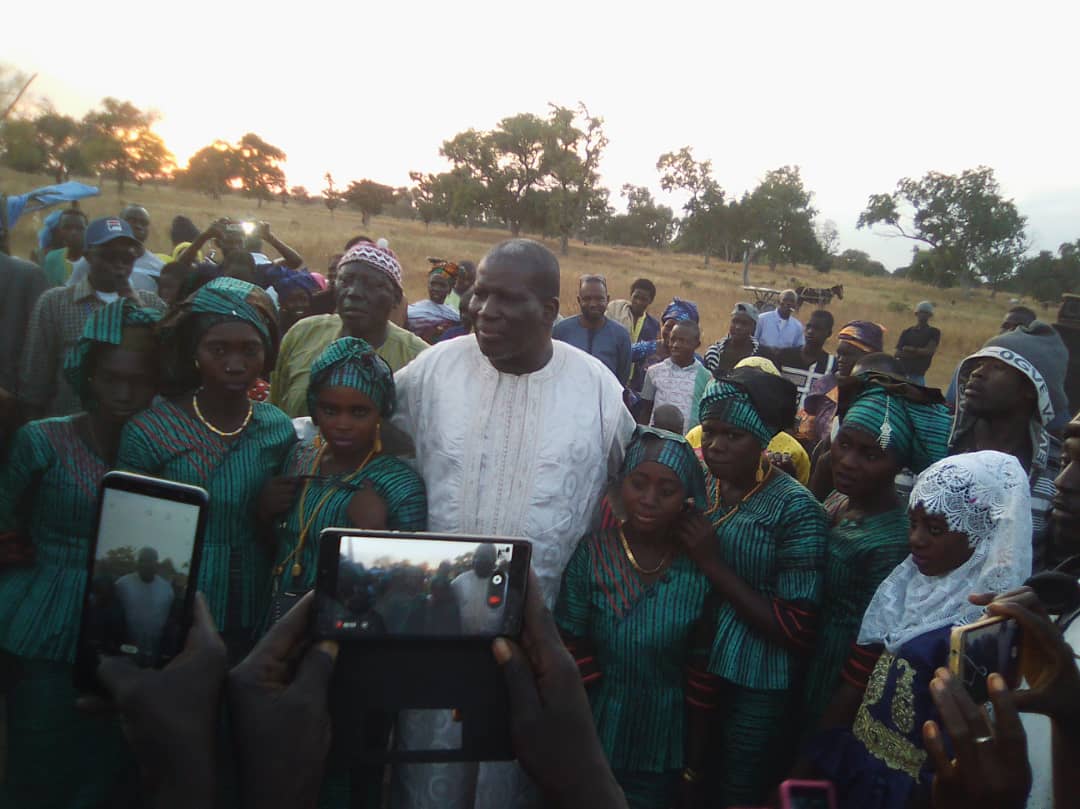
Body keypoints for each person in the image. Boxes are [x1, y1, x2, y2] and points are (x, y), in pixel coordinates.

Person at [390, 238, 635, 809]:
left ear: (548, 311)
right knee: (427, 779)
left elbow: (630, 481)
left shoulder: (596, 388)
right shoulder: (435, 370)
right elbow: (370, 434)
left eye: (506, 299)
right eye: (480, 294)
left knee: (512, 778)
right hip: (434, 631)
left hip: (537, 641)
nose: (484, 310)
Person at [0, 299, 160, 809]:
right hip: (43, 621)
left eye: (138, 380)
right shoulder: (42, 441)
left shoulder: (164, 454)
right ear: (88, 375)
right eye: (110, 378)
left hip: (127, 628)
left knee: (108, 768)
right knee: (38, 761)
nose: (123, 393)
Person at [807, 451, 1032, 809]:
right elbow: (859, 677)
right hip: (860, 770)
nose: (916, 539)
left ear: (982, 534)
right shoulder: (902, 590)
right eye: (913, 524)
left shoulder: (978, 628)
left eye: (935, 529)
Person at [674, 367, 827, 807]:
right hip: (692, 661)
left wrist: (713, 565)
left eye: (733, 435)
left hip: (756, 679)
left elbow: (797, 627)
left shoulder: (797, 510)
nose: (715, 445)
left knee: (735, 789)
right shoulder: (703, 484)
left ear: (761, 439)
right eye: (710, 431)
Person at [117, 278, 295, 654]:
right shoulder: (149, 431)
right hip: (174, 604)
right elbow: (129, 536)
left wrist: (264, 514)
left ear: (266, 354)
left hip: (253, 600)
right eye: (218, 349)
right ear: (195, 352)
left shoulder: (277, 427)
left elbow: (288, 533)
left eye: (250, 350)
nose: (235, 365)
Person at [555, 427, 710, 809]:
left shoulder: (697, 571)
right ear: (621, 484)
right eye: (638, 484)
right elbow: (567, 644)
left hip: (663, 742)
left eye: (667, 491)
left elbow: (702, 673)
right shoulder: (592, 555)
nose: (649, 500)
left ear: (686, 498)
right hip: (593, 732)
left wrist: (694, 766)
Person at [800, 378, 951, 733]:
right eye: (844, 444)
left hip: (833, 675)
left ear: (899, 463)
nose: (848, 462)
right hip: (802, 652)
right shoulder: (838, 499)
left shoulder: (894, 539)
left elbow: (870, 645)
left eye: (870, 455)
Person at [263, 337, 427, 598]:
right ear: (314, 409)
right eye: (330, 410)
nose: (343, 424)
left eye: (358, 412)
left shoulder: (400, 487)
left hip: (344, 617)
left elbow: (409, 586)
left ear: (380, 413)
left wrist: (376, 534)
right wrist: (264, 510)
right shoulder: (298, 458)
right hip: (276, 611)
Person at [19, 217, 166, 420]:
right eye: (109, 256)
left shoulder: (152, 304)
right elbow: (35, 383)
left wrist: (136, 304)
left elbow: (166, 366)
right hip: (71, 427)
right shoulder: (55, 303)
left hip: (134, 428)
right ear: (88, 256)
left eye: (127, 258)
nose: (119, 265)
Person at [948, 321, 1067, 569]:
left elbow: (1054, 563)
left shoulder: (1057, 470)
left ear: (1031, 389)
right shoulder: (936, 440)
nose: (977, 373)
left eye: (998, 367)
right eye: (979, 364)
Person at [271, 242, 428, 418]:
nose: (354, 292)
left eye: (372, 285)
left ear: (396, 298)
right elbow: (275, 409)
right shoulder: (303, 333)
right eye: (345, 281)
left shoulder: (419, 359)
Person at [797, 320, 886, 450]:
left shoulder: (880, 395)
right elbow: (805, 433)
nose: (840, 359)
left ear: (869, 358)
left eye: (848, 355)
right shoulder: (825, 385)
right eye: (839, 353)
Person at [67, 205, 166, 293]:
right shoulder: (94, 259)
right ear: (119, 223)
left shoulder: (159, 267)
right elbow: (71, 292)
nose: (138, 226)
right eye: (132, 221)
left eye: (144, 223)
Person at [553, 274, 631, 381]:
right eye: (587, 299)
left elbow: (622, 378)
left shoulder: (621, 336)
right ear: (579, 300)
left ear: (607, 299)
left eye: (599, 299)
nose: (593, 304)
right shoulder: (561, 331)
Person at [637, 320, 711, 429]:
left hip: (687, 438)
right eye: (673, 339)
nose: (675, 345)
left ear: (696, 344)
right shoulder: (654, 372)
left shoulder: (705, 377)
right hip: (657, 436)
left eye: (683, 341)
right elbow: (645, 411)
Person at [114, 547, 175, 662]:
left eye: (150, 560)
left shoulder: (167, 589)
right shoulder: (122, 584)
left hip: (155, 651)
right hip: (126, 650)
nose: (146, 564)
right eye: (142, 560)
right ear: (137, 563)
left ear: (156, 563)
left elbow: (169, 619)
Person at [630, 297, 699, 396]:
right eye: (668, 327)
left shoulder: (696, 363)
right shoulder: (646, 349)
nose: (671, 333)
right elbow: (619, 355)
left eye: (678, 330)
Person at [776, 309, 836, 409]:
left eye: (817, 328)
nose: (810, 331)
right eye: (808, 326)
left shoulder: (832, 365)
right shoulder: (784, 356)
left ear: (828, 333)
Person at [452, 544, 506, 635]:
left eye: (485, 558)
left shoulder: (506, 583)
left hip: (495, 640)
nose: (479, 561)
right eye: (477, 558)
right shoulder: (460, 581)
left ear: (494, 561)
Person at [407, 259, 462, 343]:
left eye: (442, 285)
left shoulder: (455, 316)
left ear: (450, 289)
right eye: (433, 284)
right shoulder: (412, 310)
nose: (436, 289)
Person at [703, 303, 763, 374]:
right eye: (735, 321)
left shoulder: (761, 355)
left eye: (744, 323)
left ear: (753, 327)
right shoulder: (714, 353)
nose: (738, 327)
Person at [895, 301, 941, 385]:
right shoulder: (907, 332)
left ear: (930, 315)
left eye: (926, 313)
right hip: (903, 374)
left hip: (918, 375)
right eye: (921, 312)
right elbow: (897, 353)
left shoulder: (934, 332)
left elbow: (929, 351)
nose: (923, 315)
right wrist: (919, 353)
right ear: (916, 313)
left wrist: (910, 349)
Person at [606, 278, 660, 346]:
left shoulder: (653, 325)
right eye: (636, 297)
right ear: (631, 295)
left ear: (651, 301)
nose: (638, 302)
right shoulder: (615, 310)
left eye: (644, 299)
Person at [41, 207, 87, 286]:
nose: (73, 233)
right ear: (59, 231)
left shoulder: (95, 259)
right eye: (67, 228)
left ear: (87, 230)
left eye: (79, 228)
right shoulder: (52, 258)